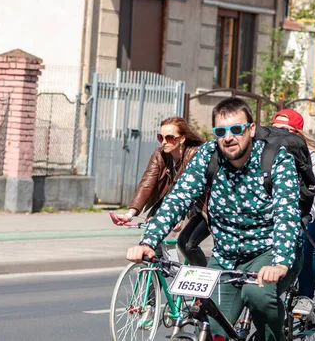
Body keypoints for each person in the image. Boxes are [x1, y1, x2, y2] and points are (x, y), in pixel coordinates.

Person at [126, 97, 303, 341]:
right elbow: (179, 198)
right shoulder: (209, 156)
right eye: (221, 131)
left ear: (251, 129)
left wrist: (280, 263)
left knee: (257, 295)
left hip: (270, 252)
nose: (228, 137)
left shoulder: (275, 159)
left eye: (236, 129)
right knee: (211, 327)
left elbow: (287, 214)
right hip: (226, 257)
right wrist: (148, 241)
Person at [111, 116, 210, 267]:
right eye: (160, 137)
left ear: (182, 138)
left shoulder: (195, 155)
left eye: (169, 138)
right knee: (149, 248)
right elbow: (147, 183)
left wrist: (180, 218)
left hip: (201, 208)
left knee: (187, 244)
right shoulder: (160, 155)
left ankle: (202, 279)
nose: (164, 141)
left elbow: (188, 191)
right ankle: (150, 289)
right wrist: (129, 214)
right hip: (171, 206)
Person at [271, 109, 315, 320]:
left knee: (304, 242)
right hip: (280, 220)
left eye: (285, 130)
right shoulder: (265, 153)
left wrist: (303, 219)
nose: (279, 134)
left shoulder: (312, 157)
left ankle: (305, 297)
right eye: (275, 129)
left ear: (297, 133)